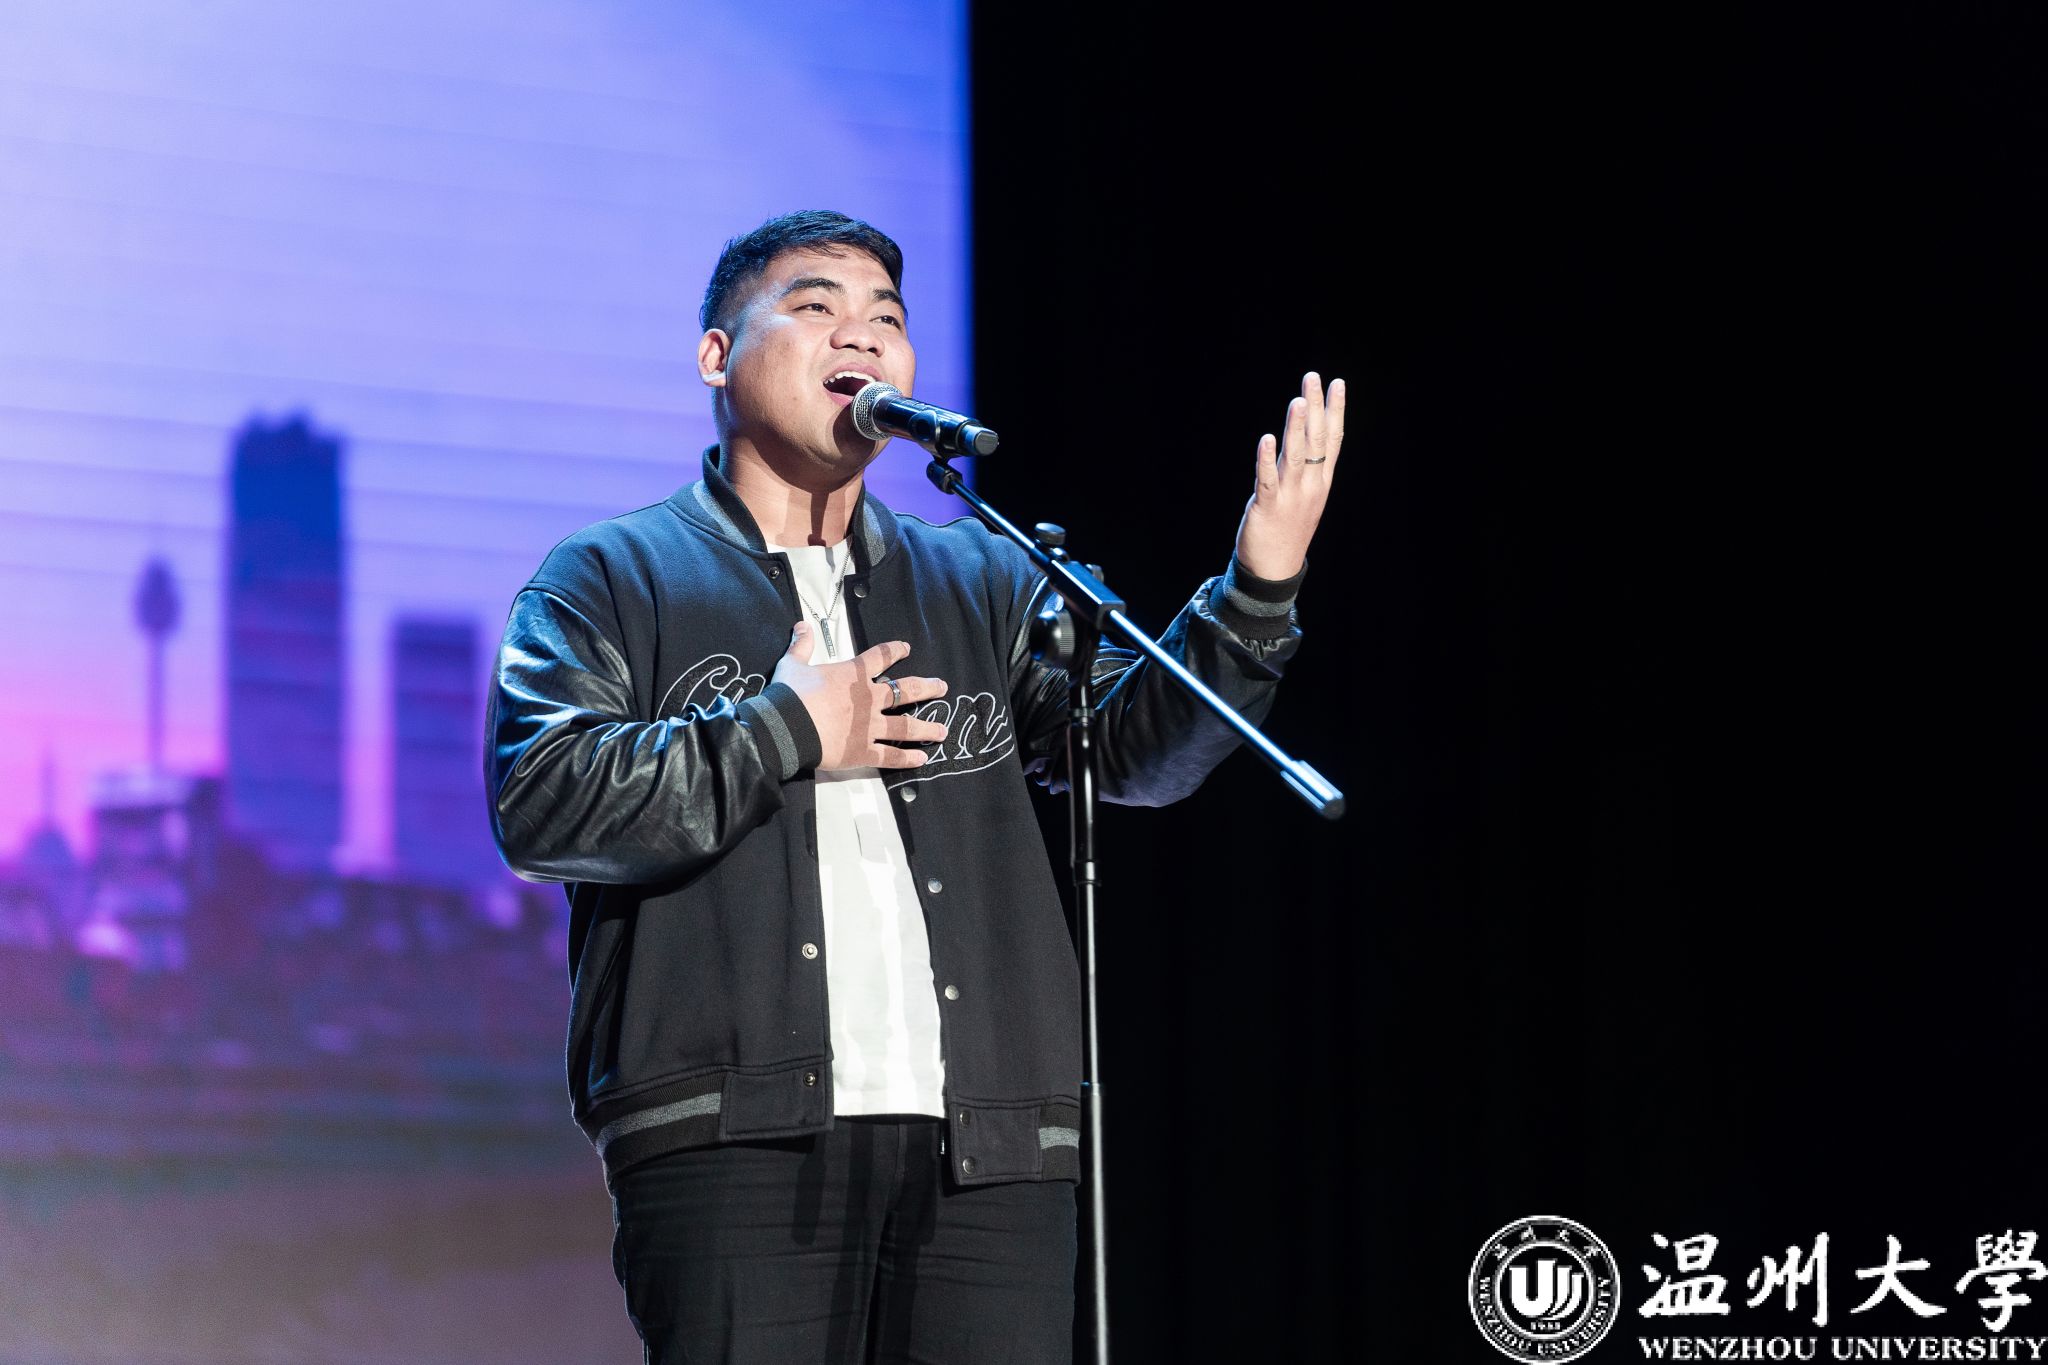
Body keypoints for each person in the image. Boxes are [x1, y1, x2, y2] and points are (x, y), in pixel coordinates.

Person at [486, 210, 1342, 1364]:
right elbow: (544, 801)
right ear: (714, 355)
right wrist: (785, 729)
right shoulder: (612, 576)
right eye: (815, 306)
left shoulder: (984, 576)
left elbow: (1136, 753)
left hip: (991, 1151)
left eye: (885, 317)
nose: (861, 334)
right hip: (735, 1145)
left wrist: (1257, 585)